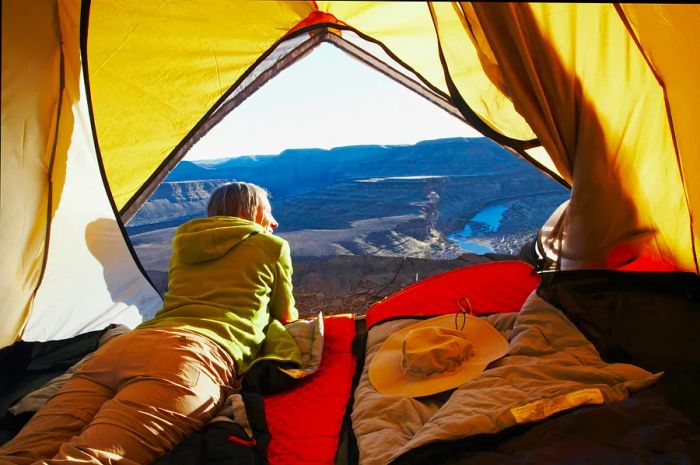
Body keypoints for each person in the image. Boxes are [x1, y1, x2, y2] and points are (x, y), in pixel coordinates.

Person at [0, 181, 299, 465]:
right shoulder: (270, 246)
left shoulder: (184, 242)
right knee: (92, 457)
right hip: (190, 359)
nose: (274, 224)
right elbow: (286, 314)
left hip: (120, 351)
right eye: (269, 215)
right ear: (257, 212)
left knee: (18, 453)